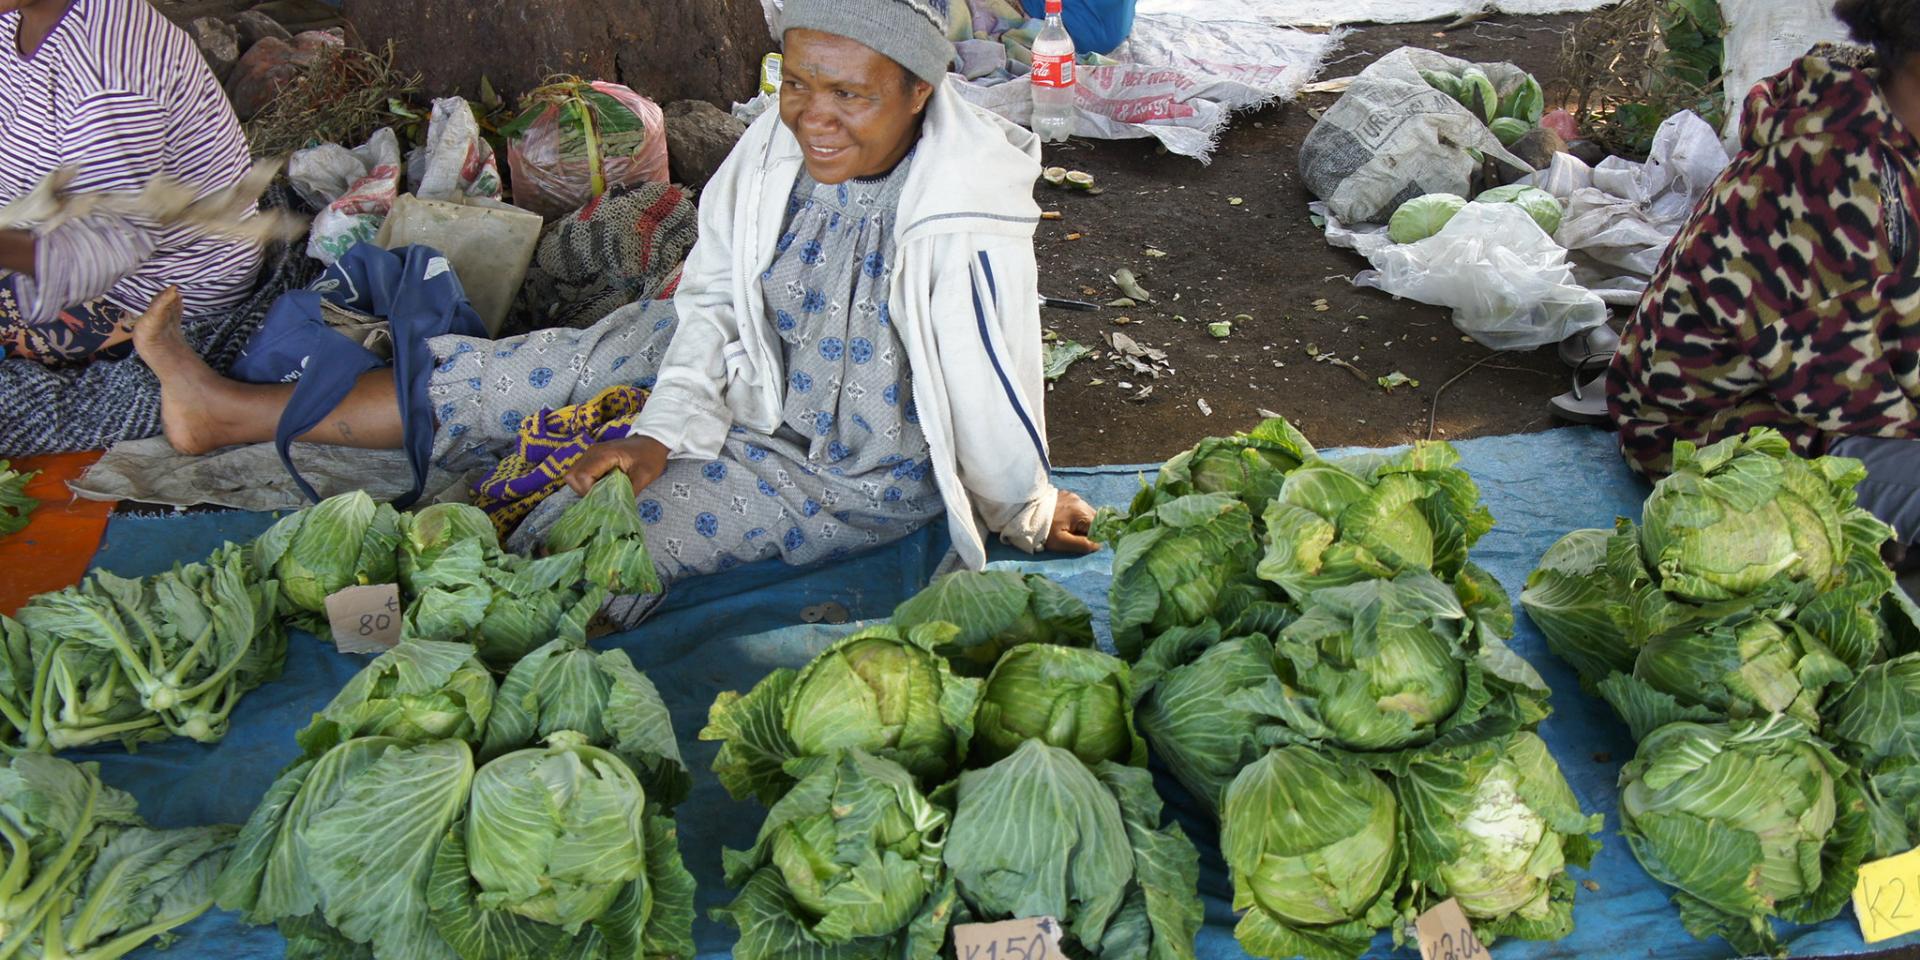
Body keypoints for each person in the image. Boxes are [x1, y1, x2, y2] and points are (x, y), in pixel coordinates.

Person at [139, 0, 1100, 597]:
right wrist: (664, 427)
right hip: (732, 361)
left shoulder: (964, 216)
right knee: (537, 371)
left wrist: (1024, 505)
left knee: (589, 534)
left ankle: (398, 588)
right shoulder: (775, 144)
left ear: (921, 90)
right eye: (798, 82)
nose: (815, 115)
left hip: (837, 459)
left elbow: (990, 381)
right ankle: (225, 415)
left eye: (851, 95)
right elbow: (717, 297)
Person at [1607, 0, 1920, 538]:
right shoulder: (1831, 175)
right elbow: (1850, 393)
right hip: (1719, 443)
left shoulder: (1880, 118)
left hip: (1820, 393)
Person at [0, 0, 260, 366]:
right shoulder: (20, 16)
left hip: (147, 294)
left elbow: (114, 244)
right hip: (49, 238)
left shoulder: (110, 76)